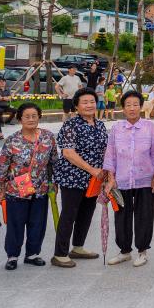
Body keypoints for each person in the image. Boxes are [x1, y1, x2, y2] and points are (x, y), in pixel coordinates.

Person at [102, 90, 154, 267]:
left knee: (144, 215)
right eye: (128, 105)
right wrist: (110, 178)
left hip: (145, 179)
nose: (132, 108)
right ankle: (124, 251)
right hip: (121, 180)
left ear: (141, 106)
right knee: (122, 216)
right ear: (123, 108)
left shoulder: (149, 127)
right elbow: (111, 154)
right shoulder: (116, 128)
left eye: (136, 104)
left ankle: (143, 251)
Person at [0, 103, 57, 270]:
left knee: (38, 223)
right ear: (20, 118)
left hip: (40, 188)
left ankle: (32, 254)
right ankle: (12, 256)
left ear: (39, 117)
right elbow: (3, 165)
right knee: (16, 224)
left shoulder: (48, 137)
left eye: (34, 116)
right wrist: (1, 188)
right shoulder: (12, 140)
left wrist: (53, 184)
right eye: (26, 116)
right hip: (16, 190)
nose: (30, 119)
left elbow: (53, 163)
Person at [51, 88, 108, 267]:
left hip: (94, 179)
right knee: (69, 214)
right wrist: (92, 169)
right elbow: (68, 152)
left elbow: (106, 149)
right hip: (73, 177)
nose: (90, 105)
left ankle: (78, 247)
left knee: (86, 213)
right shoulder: (71, 125)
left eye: (92, 101)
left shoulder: (99, 124)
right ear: (76, 106)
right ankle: (60, 253)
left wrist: (106, 171)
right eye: (85, 102)